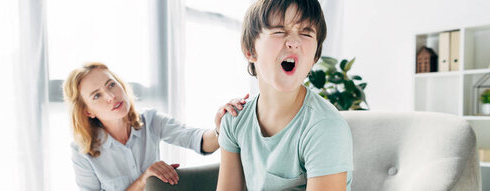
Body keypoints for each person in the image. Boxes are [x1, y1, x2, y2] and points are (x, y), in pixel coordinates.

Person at [216, 0, 354, 190]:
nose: (294, 42)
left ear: (315, 57)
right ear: (250, 50)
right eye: (279, 31)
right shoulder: (234, 120)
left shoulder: (324, 127)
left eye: (306, 33)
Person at [63, 62, 248, 191]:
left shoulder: (150, 120)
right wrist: (144, 180)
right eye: (97, 95)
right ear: (88, 112)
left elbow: (197, 140)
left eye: (111, 84)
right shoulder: (82, 152)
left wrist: (220, 127)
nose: (110, 96)